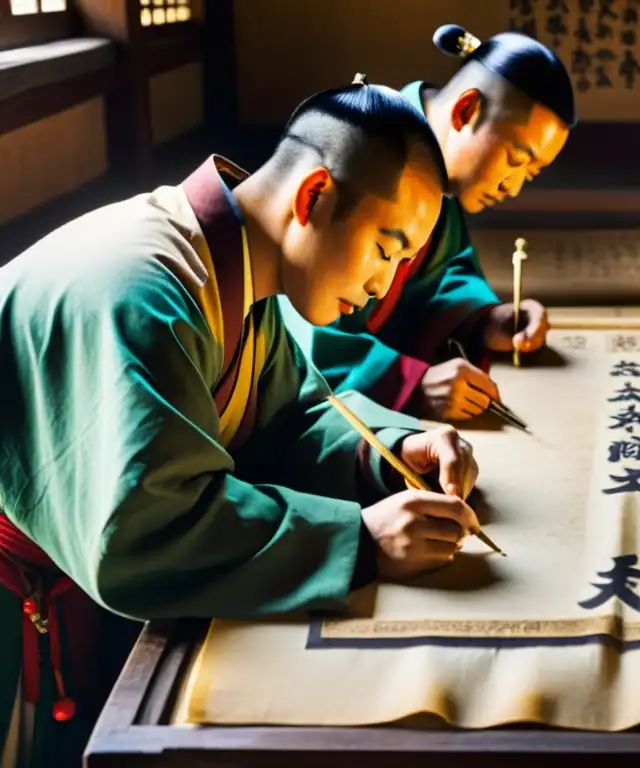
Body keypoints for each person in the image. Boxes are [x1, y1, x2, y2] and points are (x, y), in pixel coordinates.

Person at [0, 79, 482, 768]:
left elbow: (290, 418)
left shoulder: (234, 267)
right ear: (314, 197)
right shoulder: (142, 291)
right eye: (385, 246)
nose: (383, 285)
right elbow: (147, 526)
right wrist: (360, 540)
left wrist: (395, 452)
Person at [277, 24, 577, 422]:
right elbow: (298, 317)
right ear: (466, 110)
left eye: (531, 173)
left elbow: (443, 274)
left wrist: (484, 320)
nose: (514, 187)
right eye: (516, 160)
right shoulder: (363, 147)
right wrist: (409, 383)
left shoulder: (438, 178)